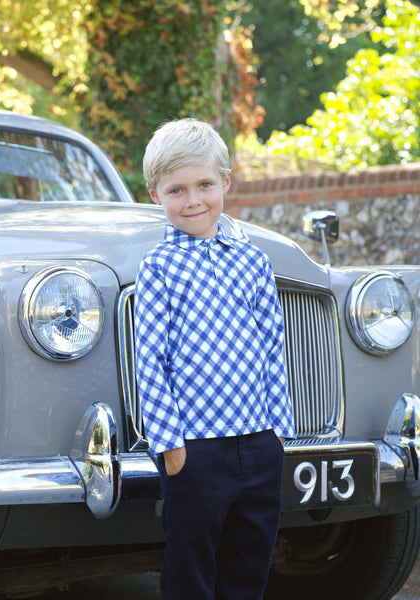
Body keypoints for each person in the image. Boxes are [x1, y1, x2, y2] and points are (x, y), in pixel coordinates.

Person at [134, 118, 296, 600]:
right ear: (155, 195)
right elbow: (151, 360)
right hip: (194, 448)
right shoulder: (158, 267)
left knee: (249, 563)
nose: (193, 201)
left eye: (204, 185)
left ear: (226, 181)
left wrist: (278, 432)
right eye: (176, 190)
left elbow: (272, 346)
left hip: (259, 440)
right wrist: (171, 446)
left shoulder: (253, 262)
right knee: (191, 567)